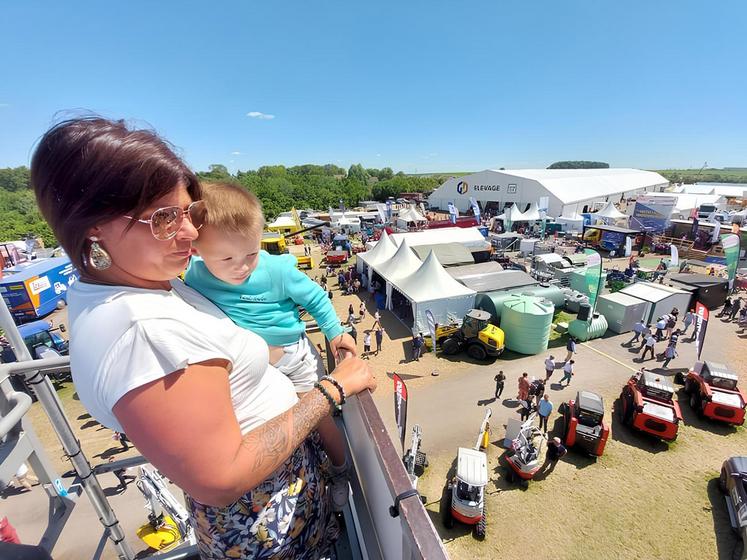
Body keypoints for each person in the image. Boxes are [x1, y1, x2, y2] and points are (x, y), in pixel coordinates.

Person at [31, 117, 376, 558]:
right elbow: (220, 478)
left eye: (189, 212)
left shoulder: (138, 283)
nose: (192, 233)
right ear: (93, 227)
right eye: (164, 219)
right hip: (264, 525)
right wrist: (333, 388)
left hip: (281, 502)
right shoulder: (141, 331)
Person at [185, 183, 357, 512]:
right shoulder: (194, 278)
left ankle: (339, 471)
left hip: (290, 357)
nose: (242, 266)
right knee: (267, 425)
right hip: (251, 366)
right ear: (196, 250)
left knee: (318, 416)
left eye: (251, 253)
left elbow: (316, 298)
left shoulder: (276, 270)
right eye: (226, 257)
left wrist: (335, 333)